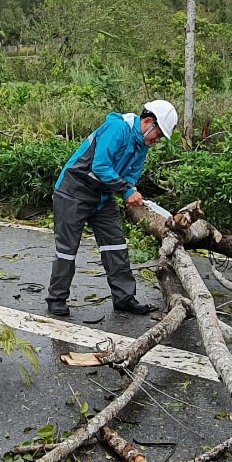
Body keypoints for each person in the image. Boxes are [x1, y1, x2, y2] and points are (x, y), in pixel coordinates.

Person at [47, 100, 178, 318]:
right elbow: (100, 166)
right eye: (158, 135)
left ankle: (124, 298)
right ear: (147, 122)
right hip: (73, 192)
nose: (157, 140)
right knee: (67, 250)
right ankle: (56, 298)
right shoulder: (118, 128)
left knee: (116, 245)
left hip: (102, 196)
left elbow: (130, 176)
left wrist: (131, 191)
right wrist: (126, 191)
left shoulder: (141, 146)